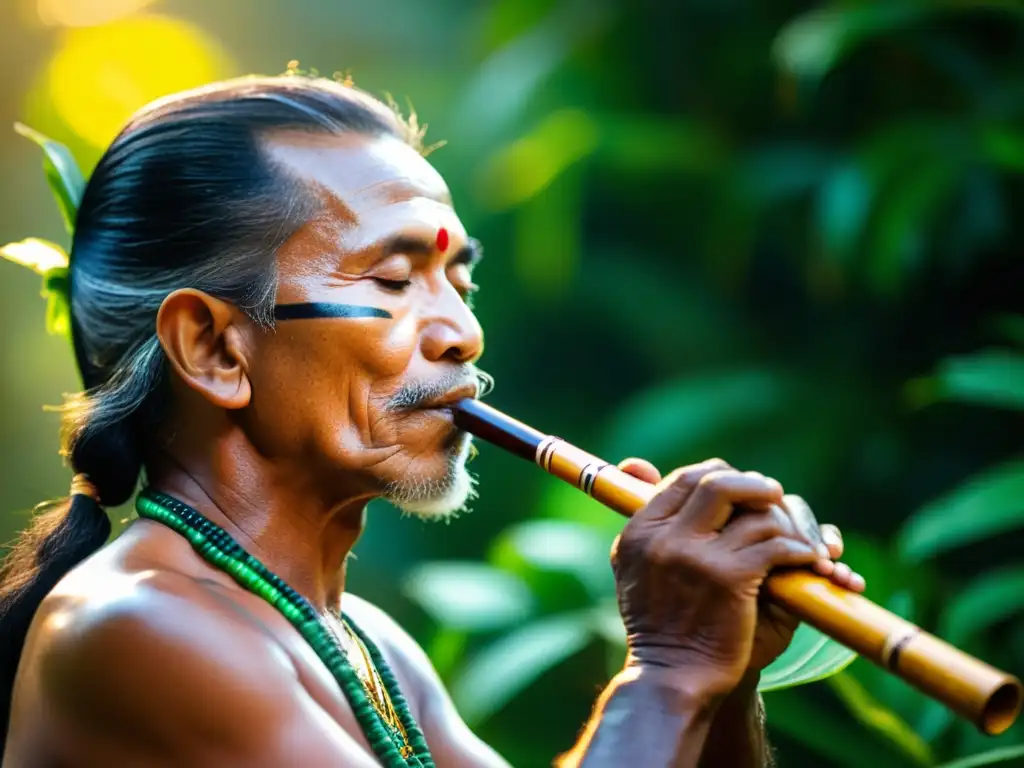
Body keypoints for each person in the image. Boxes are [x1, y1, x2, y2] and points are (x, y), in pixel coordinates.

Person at [0, 74, 865, 767]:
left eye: (460, 281)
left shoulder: (370, 646)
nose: (462, 333)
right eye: (392, 279)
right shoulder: (137, 631)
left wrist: (722, 680)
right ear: (216, 349)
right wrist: (668, 670)